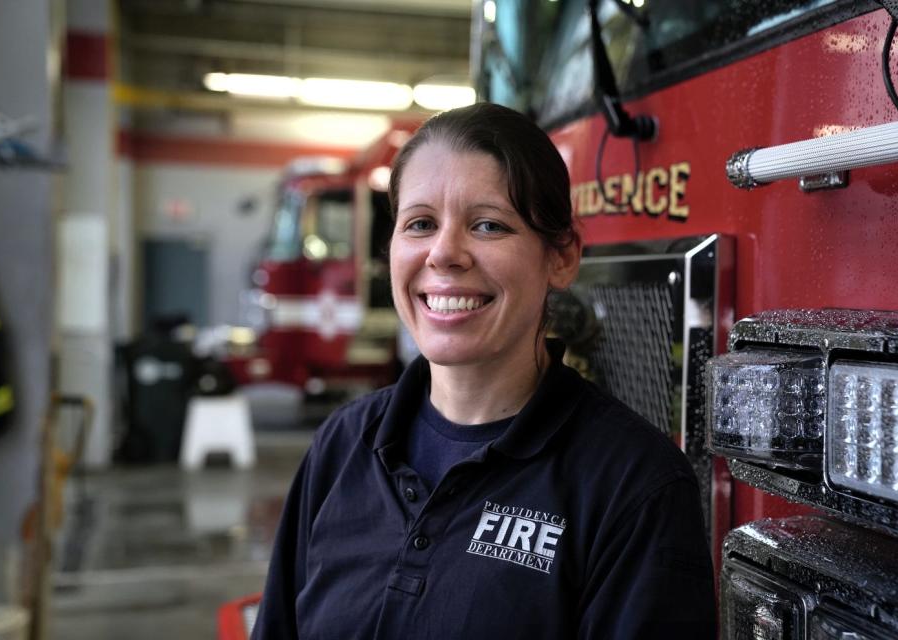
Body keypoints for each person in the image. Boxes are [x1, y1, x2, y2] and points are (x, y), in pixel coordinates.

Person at [251, 103, 715, 639]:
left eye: (488, 225)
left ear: (561, 257)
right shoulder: (340, 448)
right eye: (420, 223)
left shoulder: (635, 488)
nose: (444, 253)